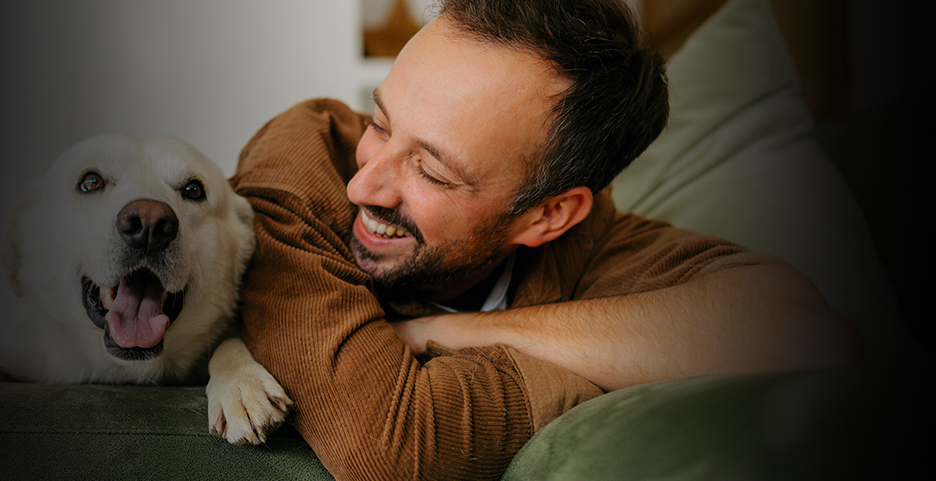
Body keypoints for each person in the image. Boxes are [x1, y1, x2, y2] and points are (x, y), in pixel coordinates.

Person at [229, 0, 863, 478]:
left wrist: (444, 335)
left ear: (550, 216)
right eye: (380, 121)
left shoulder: (593, 243)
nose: (365, 184)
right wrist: (587, 373)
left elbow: (810, 333)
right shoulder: (301, 158)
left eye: (432, 169)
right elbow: (387, 444)